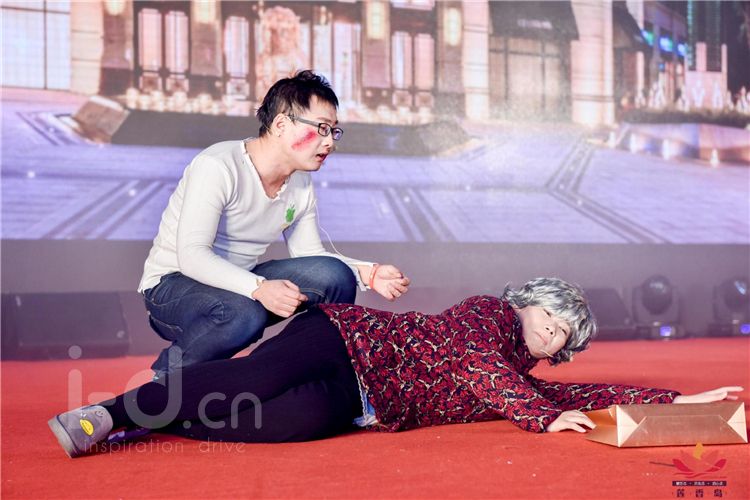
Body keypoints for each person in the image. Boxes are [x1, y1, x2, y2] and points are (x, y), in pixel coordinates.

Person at [49, 278, 742, 458]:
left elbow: (587, 390)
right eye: (551, 316)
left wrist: (677, 399)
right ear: (527, 302)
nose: (552, 333)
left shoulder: (518, 378)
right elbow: (477, 364)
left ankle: (153, 421)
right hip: (344, 340)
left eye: (561, 336)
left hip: (365, 404)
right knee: (253, 379)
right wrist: (538, 416)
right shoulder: (487, 317)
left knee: (287, 423)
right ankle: (105, 414)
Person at [138, 70, 410, 375]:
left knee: (335, 276)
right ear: (281, 124)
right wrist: (258, 288)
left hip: (240, 283)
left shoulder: (300, 182)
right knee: (244, 313)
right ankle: (163, 381)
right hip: (171, 287)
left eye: (334, 131)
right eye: (321, 128)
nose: (330, 143)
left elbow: (310, 255)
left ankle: (309, 373)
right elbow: (192, 256)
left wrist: (368, 273)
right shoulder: (217, 166)